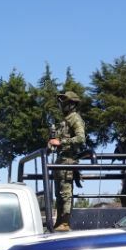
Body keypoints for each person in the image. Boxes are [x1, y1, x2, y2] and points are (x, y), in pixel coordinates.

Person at [48, 91, 86, 231]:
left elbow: (81, 138)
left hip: (68, 160)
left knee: (65, 192)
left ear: (71, 104)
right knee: (58, 193)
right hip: (60, 160)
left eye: (64, 102)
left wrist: (61, 141)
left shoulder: (75, 118)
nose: (61, 105)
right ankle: (59, 221)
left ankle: (65, 222)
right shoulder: (64, 120)